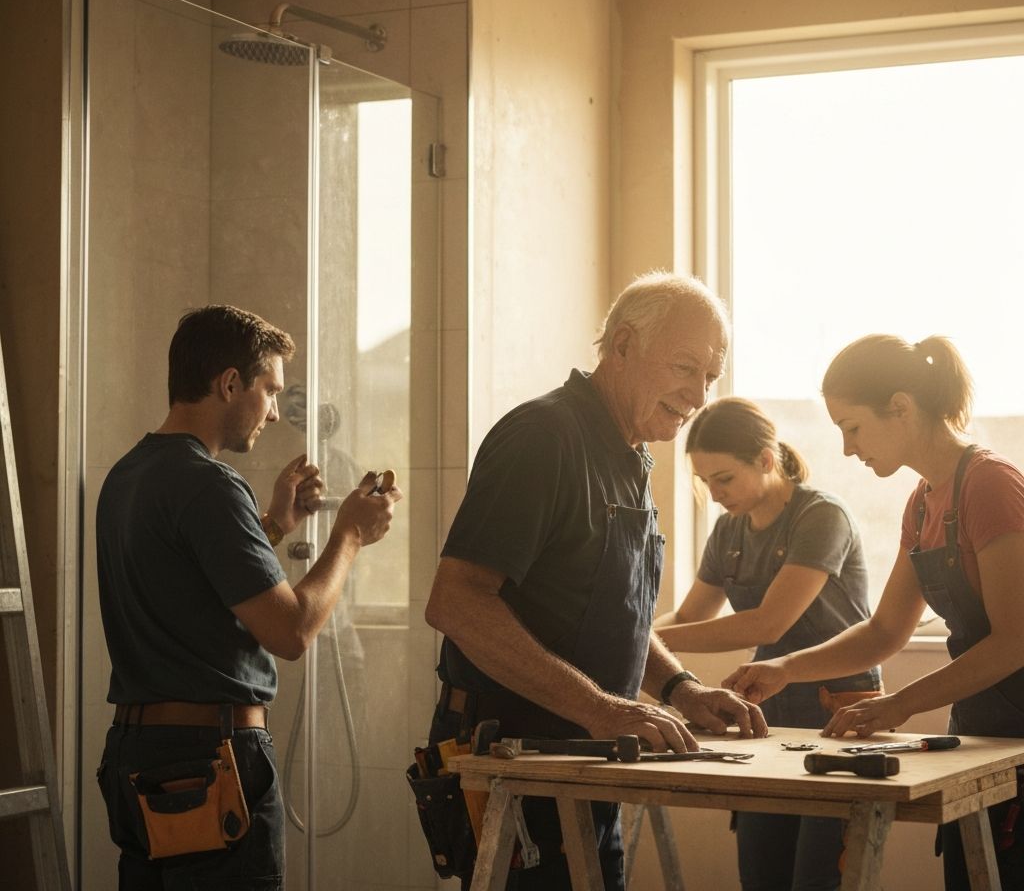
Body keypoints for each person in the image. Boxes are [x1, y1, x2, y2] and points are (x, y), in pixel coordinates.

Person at [423, 272, 768, 891]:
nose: (698, 395)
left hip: (588, 751)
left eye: (710, 377)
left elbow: (614, 613)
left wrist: (681, 689)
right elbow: (456, 602)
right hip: (513, 760)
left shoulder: (629, 454)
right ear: (624, 344)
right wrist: (600, 707)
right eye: (685, 367)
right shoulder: (543, 436)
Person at [95, 305, 403, 889]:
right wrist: (350, 534)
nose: (274, 411)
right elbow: (291, 631)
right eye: (270, 390)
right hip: (209, 760)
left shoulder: (128, 475)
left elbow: (191, 586)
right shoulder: (209, 483)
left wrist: (276, 526)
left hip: (138, 752)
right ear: (230, 383)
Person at [724, 334, 1024, 891]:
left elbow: (1014, 640)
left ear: (901, 407)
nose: (846, 449)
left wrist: (899, 704)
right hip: (981, 732)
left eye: (852, 427)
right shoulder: (923, 502)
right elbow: (885, 630)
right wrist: (785, 668)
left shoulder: (989, 484)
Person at [654, 396, 881, 891]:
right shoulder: (727, 530)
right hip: (766, 705)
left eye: (724, 478)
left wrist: (640, 640)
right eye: (704, 481)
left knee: (819, 876)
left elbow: (768, 625)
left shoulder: (821, 515)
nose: (714, 494)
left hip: (838, 705)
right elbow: (690, 617)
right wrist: (639, 636)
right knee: (761, 872)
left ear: (764, 459)